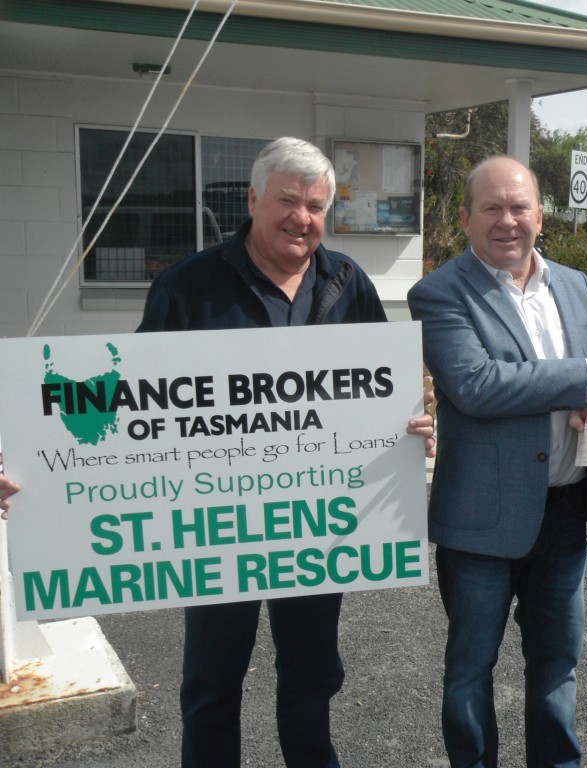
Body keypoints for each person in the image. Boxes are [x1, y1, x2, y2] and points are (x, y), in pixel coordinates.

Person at [137, 136, 435, 768]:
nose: (303, 217)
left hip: (315, 523)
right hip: (220, 522)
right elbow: (133, 404)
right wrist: (43, 462)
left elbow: (374, 394)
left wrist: (409, 427)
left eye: (317, 205)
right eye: (288, 201)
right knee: (212, 683)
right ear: (253, 199)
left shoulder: (347, 283)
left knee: (313, 674)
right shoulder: (187, 288)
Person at [407, 156, 587, 768]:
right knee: (470, 669)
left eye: (520, 207)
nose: (508, 221)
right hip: (480, 521)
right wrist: (586, 378)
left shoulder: (575, 284)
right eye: (492, 208)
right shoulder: (439, 292)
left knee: (558, 666)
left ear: (540, 214)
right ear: (465, 218)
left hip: (564, 511)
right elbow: (477, 385)